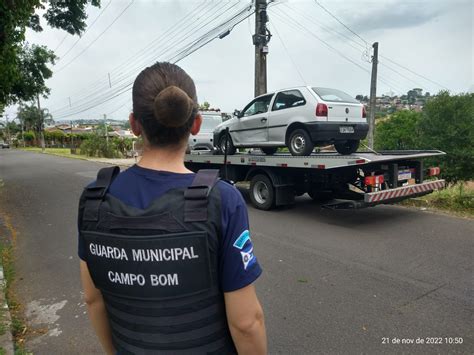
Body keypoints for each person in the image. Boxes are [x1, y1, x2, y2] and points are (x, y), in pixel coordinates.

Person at [78, 62, 267, 354]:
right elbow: (246, 323)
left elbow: (94, 299)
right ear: (196, 124)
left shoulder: (94, 201)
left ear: (133, 124)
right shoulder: (222, 201)